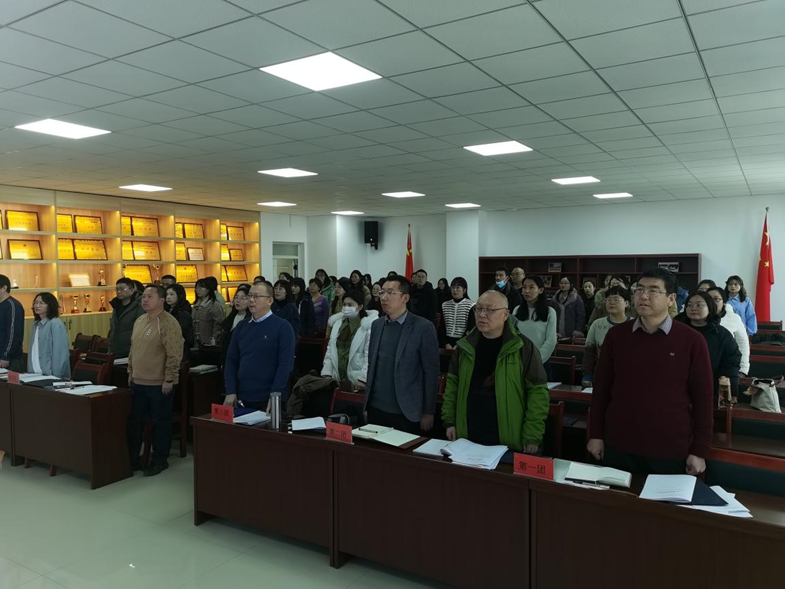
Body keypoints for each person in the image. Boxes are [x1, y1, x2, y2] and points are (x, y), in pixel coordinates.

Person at [588, 269, 714, 475]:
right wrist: (595, 434)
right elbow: (601, 389)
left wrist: (699, 450)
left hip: (669, 448)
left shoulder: (692, 340)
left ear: (671, 299)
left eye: (653, 290)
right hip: (619, 443)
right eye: (639, 290)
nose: (643, 296)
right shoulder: (617, 335)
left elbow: (703, 399)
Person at [442, 290, 549, 452]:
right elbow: (452, 386)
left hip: (507, 435)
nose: (482, 314)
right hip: (468, 432)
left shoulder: (523, 347)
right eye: (478, 309)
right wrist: (449, 421)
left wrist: (532, 435)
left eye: (490, 310)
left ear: (505, 315)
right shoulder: (465, 346)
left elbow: (538, 393)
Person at [364, 275, 439, 434]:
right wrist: (366, 405)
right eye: (382, 292)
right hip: (375, 409)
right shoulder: (377, 325)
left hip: (406, 411)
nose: (384, 297)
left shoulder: (423, 327)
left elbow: (431, 373)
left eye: (390, 293)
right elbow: (372, 366)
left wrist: (428, 412)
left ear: (405, 298)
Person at [127, 285, 184, 477]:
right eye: (143, 296)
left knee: (161, 423)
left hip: (159, 384)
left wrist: (169, 378)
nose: (145, 299)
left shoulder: (169, 322)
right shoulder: (140, 320)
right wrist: (130, 371)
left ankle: (160, 459)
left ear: (161, 300)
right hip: (138, 382)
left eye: (150, 296)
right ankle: (133, 459)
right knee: (135, 422)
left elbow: (174, 354)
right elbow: (133, 349)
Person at [223, 281, 296, 410]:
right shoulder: (242, 326)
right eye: (250, 296)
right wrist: (230, 390)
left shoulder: (283, 327)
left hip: (269, 398)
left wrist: (275, 395)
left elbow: (285, 365)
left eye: (256, 296)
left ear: (270, 300)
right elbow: (231, 359)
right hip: (242, 396)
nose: (251, 300)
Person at [677, 291, 741, 400]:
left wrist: (731, 391)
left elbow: (731, 363)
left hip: (710, 391)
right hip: (678, 390)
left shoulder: (721, 334)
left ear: (710, 308)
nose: (693, 308)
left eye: (699, 305)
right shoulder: (677, 331)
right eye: (689, 305)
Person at [321, 291, 379, 391]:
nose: (346, 308)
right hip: (337, 376)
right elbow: (330, 350)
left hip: (357, 379)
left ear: (360, 307)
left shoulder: (367, 326)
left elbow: (369, 355)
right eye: (344, 305)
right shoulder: (338, 324)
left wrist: (363, 379)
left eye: (350, 305)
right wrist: (327, 373)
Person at [582, 286, 632, 387]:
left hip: (629, 376)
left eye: (616, 299)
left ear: (626, 303)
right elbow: (589, 352)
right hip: (602, 375)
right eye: (608, 299)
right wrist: (587, 375)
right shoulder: (597, 324)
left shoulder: (635, 324)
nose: (611, 302)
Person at [511, 276, 558, 372]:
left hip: (540, 362)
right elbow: (512, 336)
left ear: (540, 290)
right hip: (518, 361)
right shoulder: (517, 310)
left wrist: (535, 360)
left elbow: (551, 341)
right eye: (524, 287)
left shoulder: (550, 312)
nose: (527, 291)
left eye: (531, 287)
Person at [707, 287, 750, 376]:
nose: (711, 302)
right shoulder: (698, 319)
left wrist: (742, 370)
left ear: (724, 302)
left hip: (728, 368)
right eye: (708, 299)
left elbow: (743, 344)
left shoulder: (734, 318)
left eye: (716, 299)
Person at [27, 292, 70, 378]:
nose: (37, 306)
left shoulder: (55, 323)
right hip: (35, 374)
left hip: (51, 376)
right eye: (35, 302)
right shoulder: (36, 324)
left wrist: (57, 376)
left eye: (41, 303)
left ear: (50, 305)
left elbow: (60, 353)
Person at [109, 277, 145, 358]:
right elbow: (113, 329)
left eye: (122, 289)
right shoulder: (116, 305)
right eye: (117, 289)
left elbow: (140, 329)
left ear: (132, 290)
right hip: (116, 350)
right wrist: (110, 349)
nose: (119, 292)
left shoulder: (140, 305)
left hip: (132, 350)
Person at [219, 285, 250, 368]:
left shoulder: (251, 320)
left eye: (243, 298)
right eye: (236, 297)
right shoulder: (231, 318)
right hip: (228, 358)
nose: (238, 301)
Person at [439, 277, 474, 348]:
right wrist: (446, 343)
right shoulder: (445, 305)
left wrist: (460, 344)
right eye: (453, 287)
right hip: (446, 341)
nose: (455, 290)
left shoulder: (471, 305)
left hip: (463, 341)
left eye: (458, 288)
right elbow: (442, 326)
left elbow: (471, 328)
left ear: (464, 290)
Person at [0, 275, 24, 372]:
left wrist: (6, 355)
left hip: (10, 359)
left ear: (4, 288)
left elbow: (13, 334)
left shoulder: (12, 305)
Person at [165, 284, 194, 359]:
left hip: (181, 349)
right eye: (167, 294)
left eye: (172, 294)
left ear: (180, 296)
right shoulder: (168, 310)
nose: (168, 297)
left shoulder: (184, 313)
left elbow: (180, 332)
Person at [192, 277, 225, 346]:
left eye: (201, 287)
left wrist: (214, 340)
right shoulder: (196, 305)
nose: (198, 290)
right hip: (196, 342)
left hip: (209, 342)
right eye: (196, 288)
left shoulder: (214, 305)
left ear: (208, 289)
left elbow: (218, 325)